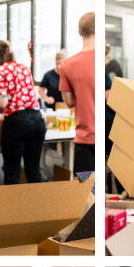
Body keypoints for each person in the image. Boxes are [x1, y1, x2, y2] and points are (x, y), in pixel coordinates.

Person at [0, 40, 46, 184]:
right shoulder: (24, 68)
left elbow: (2, 102)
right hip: (37, 120)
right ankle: (37, 206)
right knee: (33, 169)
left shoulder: (0, 71)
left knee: (12, 171)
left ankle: (13, 206)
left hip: (17, 123)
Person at [60, 12, 95, 175]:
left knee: (88, 190)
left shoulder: (67, 65)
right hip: (109, 136)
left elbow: (69, 101)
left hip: (85, 137)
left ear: (80, 32)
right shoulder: (104, 61)